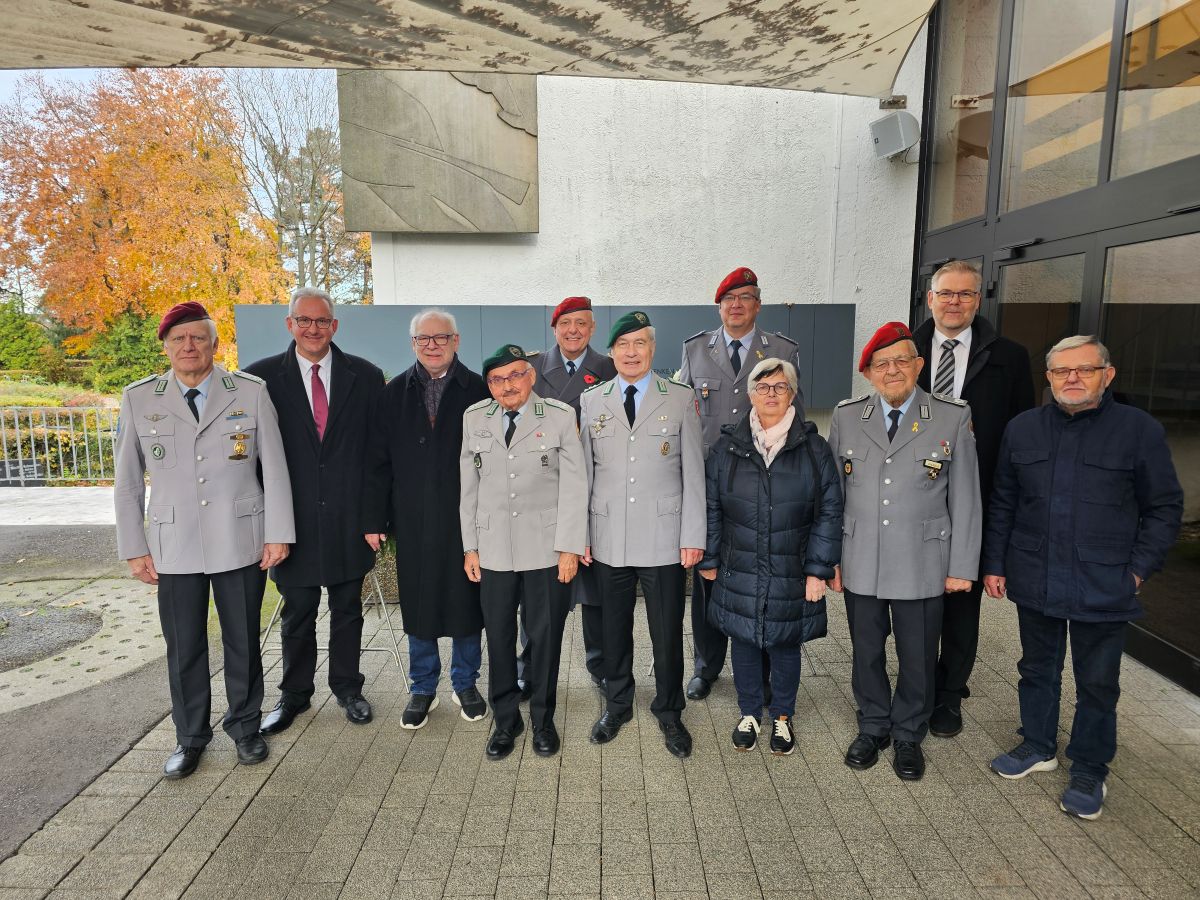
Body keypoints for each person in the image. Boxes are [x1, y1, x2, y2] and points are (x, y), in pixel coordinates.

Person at [984, 335, 1182, 820]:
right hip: (1035, 574)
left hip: (1105, 581)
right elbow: (1004, 501)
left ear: (1106, 375)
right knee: (1037, 669)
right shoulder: (1024, 429)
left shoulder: (1138, 430)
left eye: (1084, 369)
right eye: (1061, 371)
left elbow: (1164, 507)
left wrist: (1137, 571)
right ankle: (1038, 745)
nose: (1072, 378)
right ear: (1048, 378)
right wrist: (994, 563)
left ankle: (1090, 767)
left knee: (1097, 682)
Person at [114, 301, 294, 778]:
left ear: (215, 344)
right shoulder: (140, 398)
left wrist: (278, 534)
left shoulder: (250, 393)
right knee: (185, 645)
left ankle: (246, 728)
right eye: (179, 339)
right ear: (166, 347)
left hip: (240, 538)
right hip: (174, 546)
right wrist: (134, 547)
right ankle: (190, 737)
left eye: (198, 337)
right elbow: (128, 482)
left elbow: (274, 471)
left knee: (242, 639)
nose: (188, 346)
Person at [828, 321, 981, 781]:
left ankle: (910, 732)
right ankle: (873, 724)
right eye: (882, 364)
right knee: (866, 650)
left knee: (918, 653)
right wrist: (830, 558)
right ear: (869, 374)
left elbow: (967, 498)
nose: (892, 370)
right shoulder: (848, 416)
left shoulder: (951, 416)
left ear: (918, 366)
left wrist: (961, 567)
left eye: (901, 361)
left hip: (923, 560)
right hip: (863, 559)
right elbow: (833, 494)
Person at [244, 287, 384, 735]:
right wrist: (268, 525)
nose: (313, 329)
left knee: (348, 608)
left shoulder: (365, 375)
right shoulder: (261, 379)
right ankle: (294, 695)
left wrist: (373, 519)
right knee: (297, 611)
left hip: (349, 520)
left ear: (334, 326)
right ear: (290, 325)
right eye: (304, 320)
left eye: (322, 321)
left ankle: (348, 688)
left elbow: (377, 456)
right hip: (292, 523)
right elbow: (250, 462)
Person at [914, 260, 1035, 738]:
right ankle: (917, 688)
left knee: (961, 601)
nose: (954, 302)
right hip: (917, 495)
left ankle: (949, 696)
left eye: (964, 295)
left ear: (977, 300)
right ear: (930, 298)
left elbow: (1020, 435)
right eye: (946, 293)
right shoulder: (906, 350)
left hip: (975, 496)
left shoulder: (1009, 356)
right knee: (917, 599)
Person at [698, 358, 842, 755]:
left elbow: (829, 511)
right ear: (750, 394)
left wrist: (818, 570)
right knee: (743, 639)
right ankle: (748, 712)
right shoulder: (727, 447)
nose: (771, 395)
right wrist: (709, 558)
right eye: (763, 387)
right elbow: (712, 506)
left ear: (793, 394)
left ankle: (782, 716)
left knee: (784, 641)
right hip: (739, 562)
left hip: (791, 565)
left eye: (780, 387)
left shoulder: (814, 448)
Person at [580, 311, 705, 758]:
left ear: (653, 350)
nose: (631, 353)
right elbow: (585, 474)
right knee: (613, 629)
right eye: (623, 345)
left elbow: (694, 470)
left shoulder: (680, 398)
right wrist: (582, 536)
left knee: (666, 631)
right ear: (611, 352)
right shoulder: (592, 401)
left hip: (664, 538)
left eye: (640, 344)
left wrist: (693, 534)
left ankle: (669, 710)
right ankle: (617, 704)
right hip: (609, 535)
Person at [679, 266, 804, 702]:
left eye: (745, 297)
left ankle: (764, 666)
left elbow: (796, 416)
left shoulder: (784, 349)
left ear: (758, 304)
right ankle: (706, 665)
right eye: (728, 299)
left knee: (762, 576)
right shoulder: (695, 350)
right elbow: (683, 416)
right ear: (719, 306)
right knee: (709, 576)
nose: (736, 305)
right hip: (713, 485)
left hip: (762, 482)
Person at [364, 309, 490, 729]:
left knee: (466, 601)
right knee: (418, 602)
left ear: (456, 341)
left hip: (468, 518)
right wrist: (374, 518)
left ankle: (466, 682)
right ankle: (422, 687)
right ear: (413, 343)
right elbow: (377, 463)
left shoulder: (480, 389)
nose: (432, 345)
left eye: (441, 337)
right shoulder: (392, 392)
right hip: (412, 517)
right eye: (423, 339)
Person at [460, 344, 587, 759]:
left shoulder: (559, 416)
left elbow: (574, 487)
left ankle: (543, 718)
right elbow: (468, 490)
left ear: (530, 375)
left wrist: (569, 547)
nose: (506, 385)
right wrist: (470, 547)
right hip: (493, 548)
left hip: (546, 549)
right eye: (497, 379)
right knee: (497, 636)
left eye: (515, 375)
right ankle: (505, 720)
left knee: (545, 636)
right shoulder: (475, 418)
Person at [530, 296, 617, 692]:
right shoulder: (531, 368)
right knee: (537, 589)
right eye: (566, 323)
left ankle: (600, 665)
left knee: (596, 589)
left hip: (596, 488)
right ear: (554, 328)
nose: (573, 330)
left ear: (593, 328)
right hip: (542, 494)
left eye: (581, 323)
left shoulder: (611, 368)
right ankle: (528, 666)